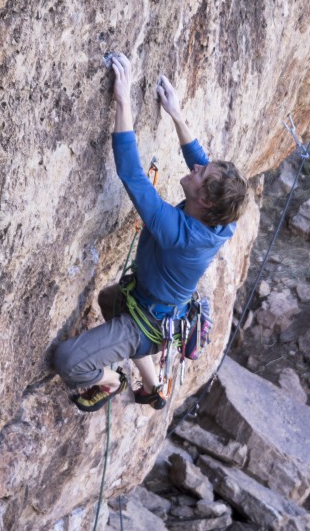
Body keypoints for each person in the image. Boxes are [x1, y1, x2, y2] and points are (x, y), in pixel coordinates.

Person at [53, 53, 247, 413]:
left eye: (202, 175)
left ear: (203, 201)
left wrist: (123, 99)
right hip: (153, 308)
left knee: (67, 359)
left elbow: (132, 176)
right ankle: (153, 385)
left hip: (145, 325)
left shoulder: (179, 233)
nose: (198, 168)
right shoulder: (223, 219)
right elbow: (198, 159)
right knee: (109, 301)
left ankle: (109, 381)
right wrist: (176, 114)